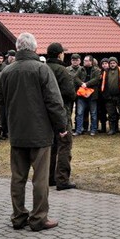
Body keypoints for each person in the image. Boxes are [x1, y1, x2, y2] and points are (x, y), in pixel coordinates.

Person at [0, 33, 68, 231]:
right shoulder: (41, 69)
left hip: (17, 132)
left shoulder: (6, 72)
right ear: (35, 49)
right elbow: (54, 102)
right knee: (40, 178)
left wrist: (5, 127)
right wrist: (61, 127)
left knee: (17, 177)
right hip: (40, 133)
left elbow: (1, 103)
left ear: (18, 48)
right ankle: (38, 218)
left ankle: (18, 217)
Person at [45, 43, 77, 190]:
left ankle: (49, 177)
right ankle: (62, 180)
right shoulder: (62, 70)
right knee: (64, 146)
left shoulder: (43, 68)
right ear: (59, 54)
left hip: (46, 113)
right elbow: (70, 92)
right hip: (61, 111)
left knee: (51, 146)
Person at [77, 55, 101, 136]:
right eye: (84, 60)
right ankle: (78, 130)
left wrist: (86, 84)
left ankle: (93, 130)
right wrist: (81, 83)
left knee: (93, 113)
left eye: (86, 60)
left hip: (92, 95)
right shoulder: (81, 69)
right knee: (79, 113)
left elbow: (96, 79)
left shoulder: (97, 70)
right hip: (82, 95)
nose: (84, 62)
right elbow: (75, 78)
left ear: (90, 61)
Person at [102, 57, 120, 135]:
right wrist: (105, 95)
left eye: (114, 63)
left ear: (116, 63)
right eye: (111, 63)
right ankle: (113, 129)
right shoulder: (105, 72)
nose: (112, 64)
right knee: (111, 114)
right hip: (109, 97)